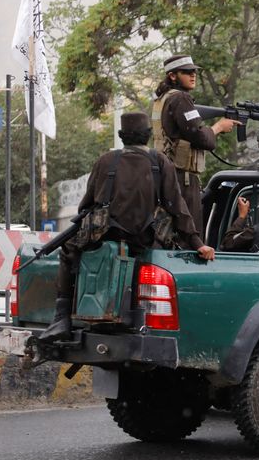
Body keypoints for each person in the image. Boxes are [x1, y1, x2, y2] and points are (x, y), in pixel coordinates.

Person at [39, 112, 216, 343]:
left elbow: (86, 206)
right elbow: (177, 208)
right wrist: (198, 243)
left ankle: (62, 319)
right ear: (148, 136)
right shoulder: (160, 161)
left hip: (105, 236)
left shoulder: (106, 161)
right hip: (144, 239)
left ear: (122, 137)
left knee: (68, 252)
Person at [151, 54, 239, 236]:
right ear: (173, 75)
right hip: (182, 178)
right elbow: (200, 138)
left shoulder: (163, 98)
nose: (193, 75)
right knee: (190, 235)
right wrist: (218, 127)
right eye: (187, 72)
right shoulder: (180, 98)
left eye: (195, 72)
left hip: (169, 175)